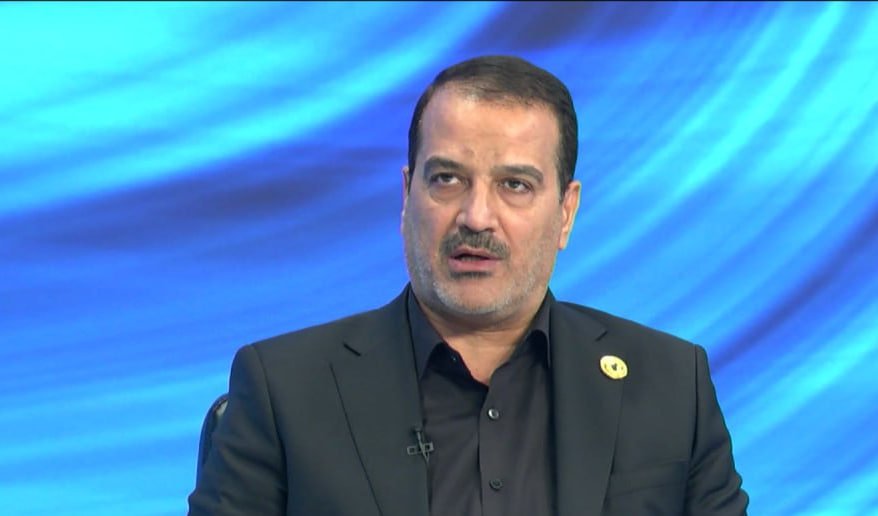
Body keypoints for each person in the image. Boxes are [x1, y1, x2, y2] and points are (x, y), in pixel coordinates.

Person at [188, 55, 748, 516]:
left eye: (515, 185)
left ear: (566, 212)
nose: (477, 217)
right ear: (407, 196)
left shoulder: (671, 387)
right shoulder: (284, 391)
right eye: (447, 178)